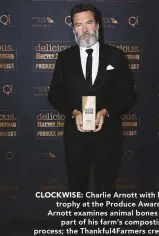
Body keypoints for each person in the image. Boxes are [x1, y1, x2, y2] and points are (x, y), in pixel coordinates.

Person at [48, 3, 137, 193]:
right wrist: (74, 112)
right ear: (74, 29)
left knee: (106, 187)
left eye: (89, 23)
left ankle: (104, 223)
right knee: (76, 186)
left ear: (97, 25)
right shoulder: (65, 57)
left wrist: (106, 112)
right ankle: (78, 223)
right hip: (75, 135)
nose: (85, 30)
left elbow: (128, 95)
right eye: (79, 25)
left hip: (108, 134)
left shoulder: (115, 56)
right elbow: (54, 95)